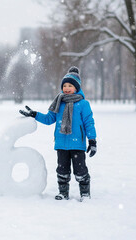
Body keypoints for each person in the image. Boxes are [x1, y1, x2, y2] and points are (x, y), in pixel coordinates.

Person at [19, 66, 97, 201]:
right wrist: (34, 114)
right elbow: (49, 119)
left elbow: (89, 123)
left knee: (80, 171)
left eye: (70, 86)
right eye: (65, 85)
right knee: (62, 170)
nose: (67, 88)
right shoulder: (58, 103)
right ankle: (63, 192)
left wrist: (92, 140)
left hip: (77, 144)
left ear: (77, 88)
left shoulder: (83, 104)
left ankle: (85, 193)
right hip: (61, 143)